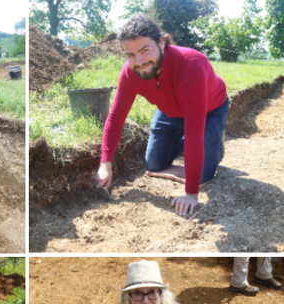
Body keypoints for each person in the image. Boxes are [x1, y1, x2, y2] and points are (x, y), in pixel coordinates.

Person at [94, 15, 229, 216]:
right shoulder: (130, 73)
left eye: (144, 50)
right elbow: (116, 117)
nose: (138, 61)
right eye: (130, 55)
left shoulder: (191, 64)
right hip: (170, 110)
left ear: (161, 42)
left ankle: (214, 144)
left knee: (202, 176)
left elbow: (194, 137)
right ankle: (203, 145)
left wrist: (191, 194)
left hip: (209, 108)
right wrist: (105, 163)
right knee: (154, 165)